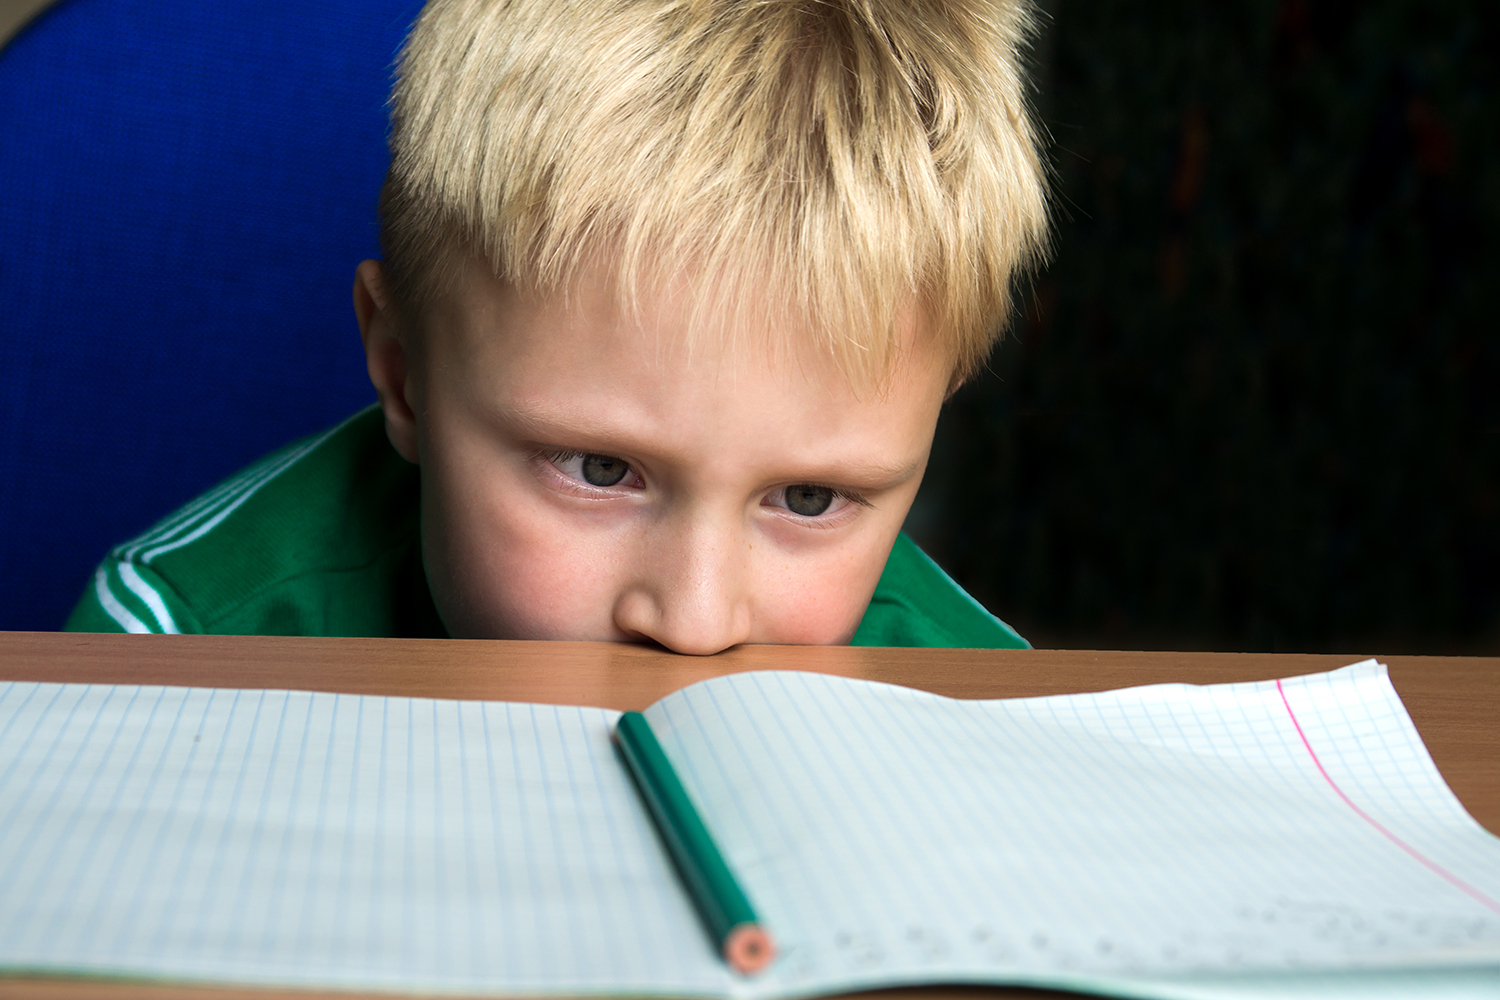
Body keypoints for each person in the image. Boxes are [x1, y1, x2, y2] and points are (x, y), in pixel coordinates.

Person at [66, 0, 1049, 652]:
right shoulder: (173, 643)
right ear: (403, 373)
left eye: (806, 496)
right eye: (599, 470)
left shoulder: (982, 709)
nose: (694, 621)